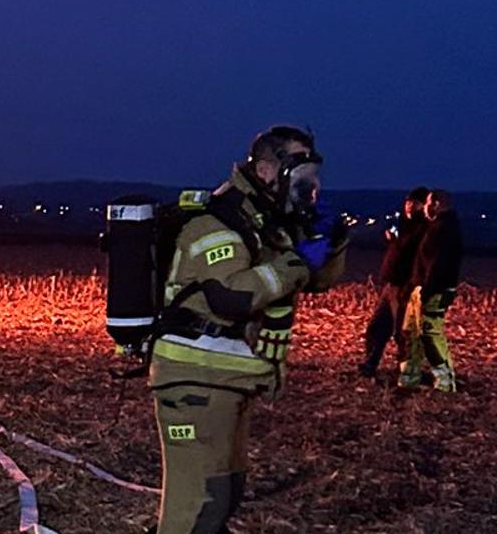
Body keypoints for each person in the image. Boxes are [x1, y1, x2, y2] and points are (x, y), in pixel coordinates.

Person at [150, 125, 347, 533]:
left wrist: (333, 241)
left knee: (224, 493)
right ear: (266, 169)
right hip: (194, 379)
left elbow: (316, 282)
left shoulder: (266, 224)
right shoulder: (217, 224)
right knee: (196, 508)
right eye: (300, 175)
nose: (310, 187)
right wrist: (297, 261)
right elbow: (231, 297)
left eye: (312, 177)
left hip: (228, 377)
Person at [359, 187, 430, 377]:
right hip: (390, 284)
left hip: (403, 285)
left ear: (422, 206)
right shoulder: (405, 224)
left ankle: (406, 370)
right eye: (407, 202)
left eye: (414, 203)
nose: (409, 206)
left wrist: (394, 240)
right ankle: (370, 363)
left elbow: (409, 250)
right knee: (378, 326)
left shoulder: (422, 227)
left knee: (401, 331)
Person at [401, 189, 462, 390]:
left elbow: (438, 264)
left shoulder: (444, 228)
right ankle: (409, 377)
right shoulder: (435, 226)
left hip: (434, 290)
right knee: (411, 333)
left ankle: (445, 381)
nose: (424, 207)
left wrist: (427, 290)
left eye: (427, 202)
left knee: (430, 334)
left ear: (435, 203)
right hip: (422, 288)